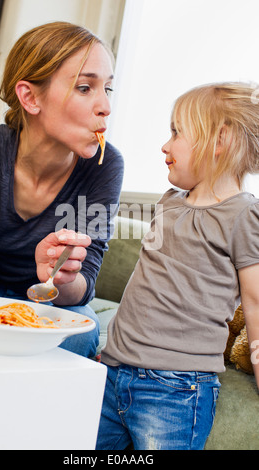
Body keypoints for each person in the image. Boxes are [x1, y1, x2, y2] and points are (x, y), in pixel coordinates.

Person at [96, 82, 259, 450]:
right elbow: (148, 284)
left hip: (176, 387)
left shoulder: (244, 215)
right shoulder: (169, 202)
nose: (165, 146)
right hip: (113, 371)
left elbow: (255, 302)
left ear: (220, 140)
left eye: (176, 132)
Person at [0, 22, 124, 358]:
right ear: (30, 97)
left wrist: (61, 278)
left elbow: (84, 286)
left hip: (43, 300)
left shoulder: (105, 166)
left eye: (108, 89)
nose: (105, 106)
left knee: (80, 335)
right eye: (84, 88)